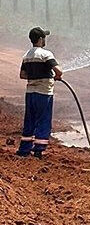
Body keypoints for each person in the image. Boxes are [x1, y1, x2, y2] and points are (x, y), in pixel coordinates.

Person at [16, 27, 62, 158]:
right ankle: (38, 150)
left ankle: (24, 150)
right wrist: (53, 75)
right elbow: (59, 71)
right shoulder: (46, 54)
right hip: (44, 93)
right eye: (44, 37)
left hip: (30, 93)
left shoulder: (27, 55)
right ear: (41, 39)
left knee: (29, 120)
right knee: (43, 120)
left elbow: (22, 75)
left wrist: (36, 75)